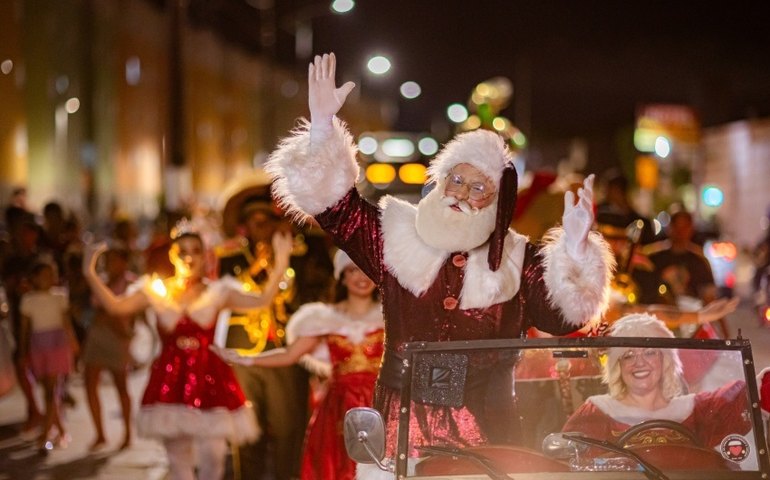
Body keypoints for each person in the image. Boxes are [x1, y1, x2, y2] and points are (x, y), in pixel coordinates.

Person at [265, 52, 614, 476]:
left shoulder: (516, 259)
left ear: (498, 198)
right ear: (441, 180)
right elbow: (338, 210)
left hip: (488, 426)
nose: (463, 193)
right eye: (457, 180)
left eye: (479, 187)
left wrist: (576, 249)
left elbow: (561, 316)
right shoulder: (396, 235)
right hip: (402, 423)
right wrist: (321, 129)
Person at [82, 221, 293, 480]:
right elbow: (116, 307)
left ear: (205, 256)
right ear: (173, 256)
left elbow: (261, 300)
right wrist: (90, 273)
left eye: (195, 250)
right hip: (171, 380)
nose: (189, 256)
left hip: (211, 378)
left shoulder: (219, 292)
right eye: (182, 251)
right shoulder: (156, 290)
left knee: (213, 460)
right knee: (179, 462)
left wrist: (281, 262)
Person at [213, 249, 383, 480]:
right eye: (353, 270)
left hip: (381, 404)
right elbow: (290, 354)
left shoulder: (389, 318)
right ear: (342, 276)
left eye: (366, 271)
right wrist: (247, 357)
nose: (361, 278)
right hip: (339, 406)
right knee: (337, 464)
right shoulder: (324, 319)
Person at [216, 187, 331, 480]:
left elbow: (318, 289)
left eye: (265, 219)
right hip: (244, 352)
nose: (260, 227)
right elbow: (228, 294)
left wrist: (290, 253)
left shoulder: (302, 252)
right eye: (253, 221)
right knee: (248, 426)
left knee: (289, 426)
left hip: (286, 351)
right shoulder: (231, 258)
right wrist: (263, 265)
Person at [562, 313, 750, 454]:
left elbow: (743, 399)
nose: (640, 362)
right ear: (617, 366)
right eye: (628, 355)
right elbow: (571, 462)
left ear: (665, 360)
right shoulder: (597, 412)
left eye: (650, 352)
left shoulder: (695, 410)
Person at [81, 243, 139, 451]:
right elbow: (96, 311)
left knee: (121, 385)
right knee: (89, 383)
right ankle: (100, 434)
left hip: (118, 339)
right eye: (108, 260)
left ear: (124, 261)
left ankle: (128, 433)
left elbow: (126, 313)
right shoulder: (102, 281)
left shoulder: (132, 283)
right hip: (98, 336)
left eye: (115, 259)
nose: (111, 264)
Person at [19, 260, 79, 453]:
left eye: (51, 274)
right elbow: (24, 329)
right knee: (47, 389)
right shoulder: (28, 300)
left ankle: (45, 435)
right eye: (44, 274)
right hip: (38, 346)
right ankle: (60, 430)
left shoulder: (60, 296)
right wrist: (22, 351)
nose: (49, 278)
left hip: (57, 345)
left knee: (51, 389)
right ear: (34, 278)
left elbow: (66, 321)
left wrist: (73, 342)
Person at [645, 208, 724, 337]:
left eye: (685, 227)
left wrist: (722, 332)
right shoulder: (654, 257)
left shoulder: (699, 261)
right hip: (659, 322)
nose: (680, 232)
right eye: (677, 227)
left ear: (691, 229)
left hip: (691, 324)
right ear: (670, 228)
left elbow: (710, 298)